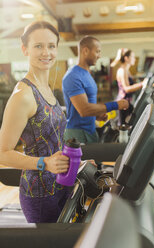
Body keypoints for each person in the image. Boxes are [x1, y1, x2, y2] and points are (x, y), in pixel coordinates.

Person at [0, 21, 80, 223]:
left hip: (62, 184)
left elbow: (52, 140)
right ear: (24, 49)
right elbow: (2, 153)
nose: (46, 52)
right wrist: (44, 163)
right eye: (38, 46)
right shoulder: (23, 95)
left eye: (51, 46)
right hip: (40, 193)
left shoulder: (47, 88)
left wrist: (75, 163)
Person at [62, 36, 129, 144]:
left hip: (90, 131)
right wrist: (115, 105)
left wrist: (97, 114)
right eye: (97, 51)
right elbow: (84, 110)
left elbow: (88, 103)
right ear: (85, 51)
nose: (99, 56)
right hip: (77, 134)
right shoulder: (73, 76)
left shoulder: (87, 74)